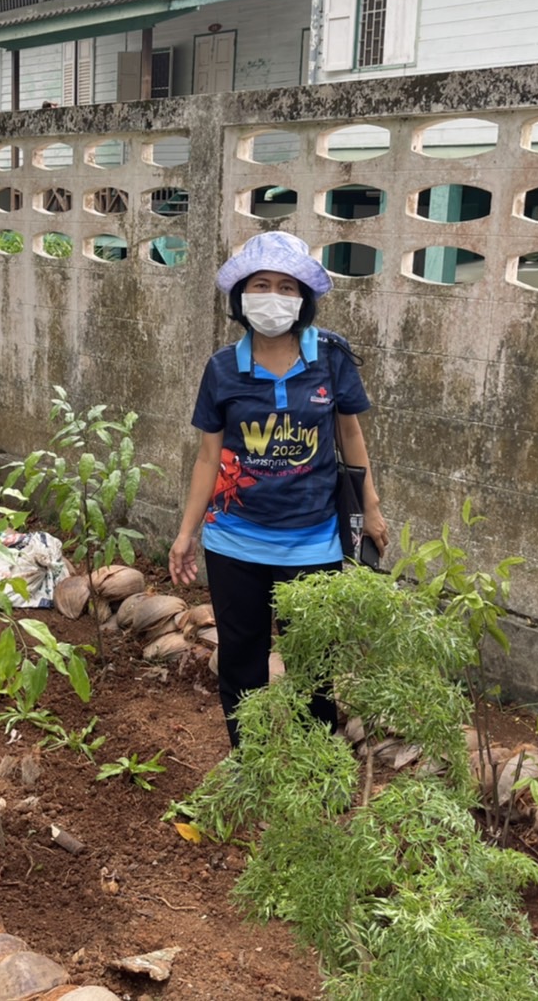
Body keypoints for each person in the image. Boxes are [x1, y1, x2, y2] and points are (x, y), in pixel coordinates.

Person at [168, 231, 388, 746]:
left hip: (314, 542)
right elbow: (208, 457)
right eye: (261, 284)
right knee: (241, 662)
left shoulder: (330, 357)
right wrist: (185, 533)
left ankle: (313, 768)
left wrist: (372, 508)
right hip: (235, 542)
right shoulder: (223, 368)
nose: (274, 296)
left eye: (287, 287)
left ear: (303, 298)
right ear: (242, 295)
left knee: (313, 665)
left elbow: (351, 435)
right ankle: (250, 762)